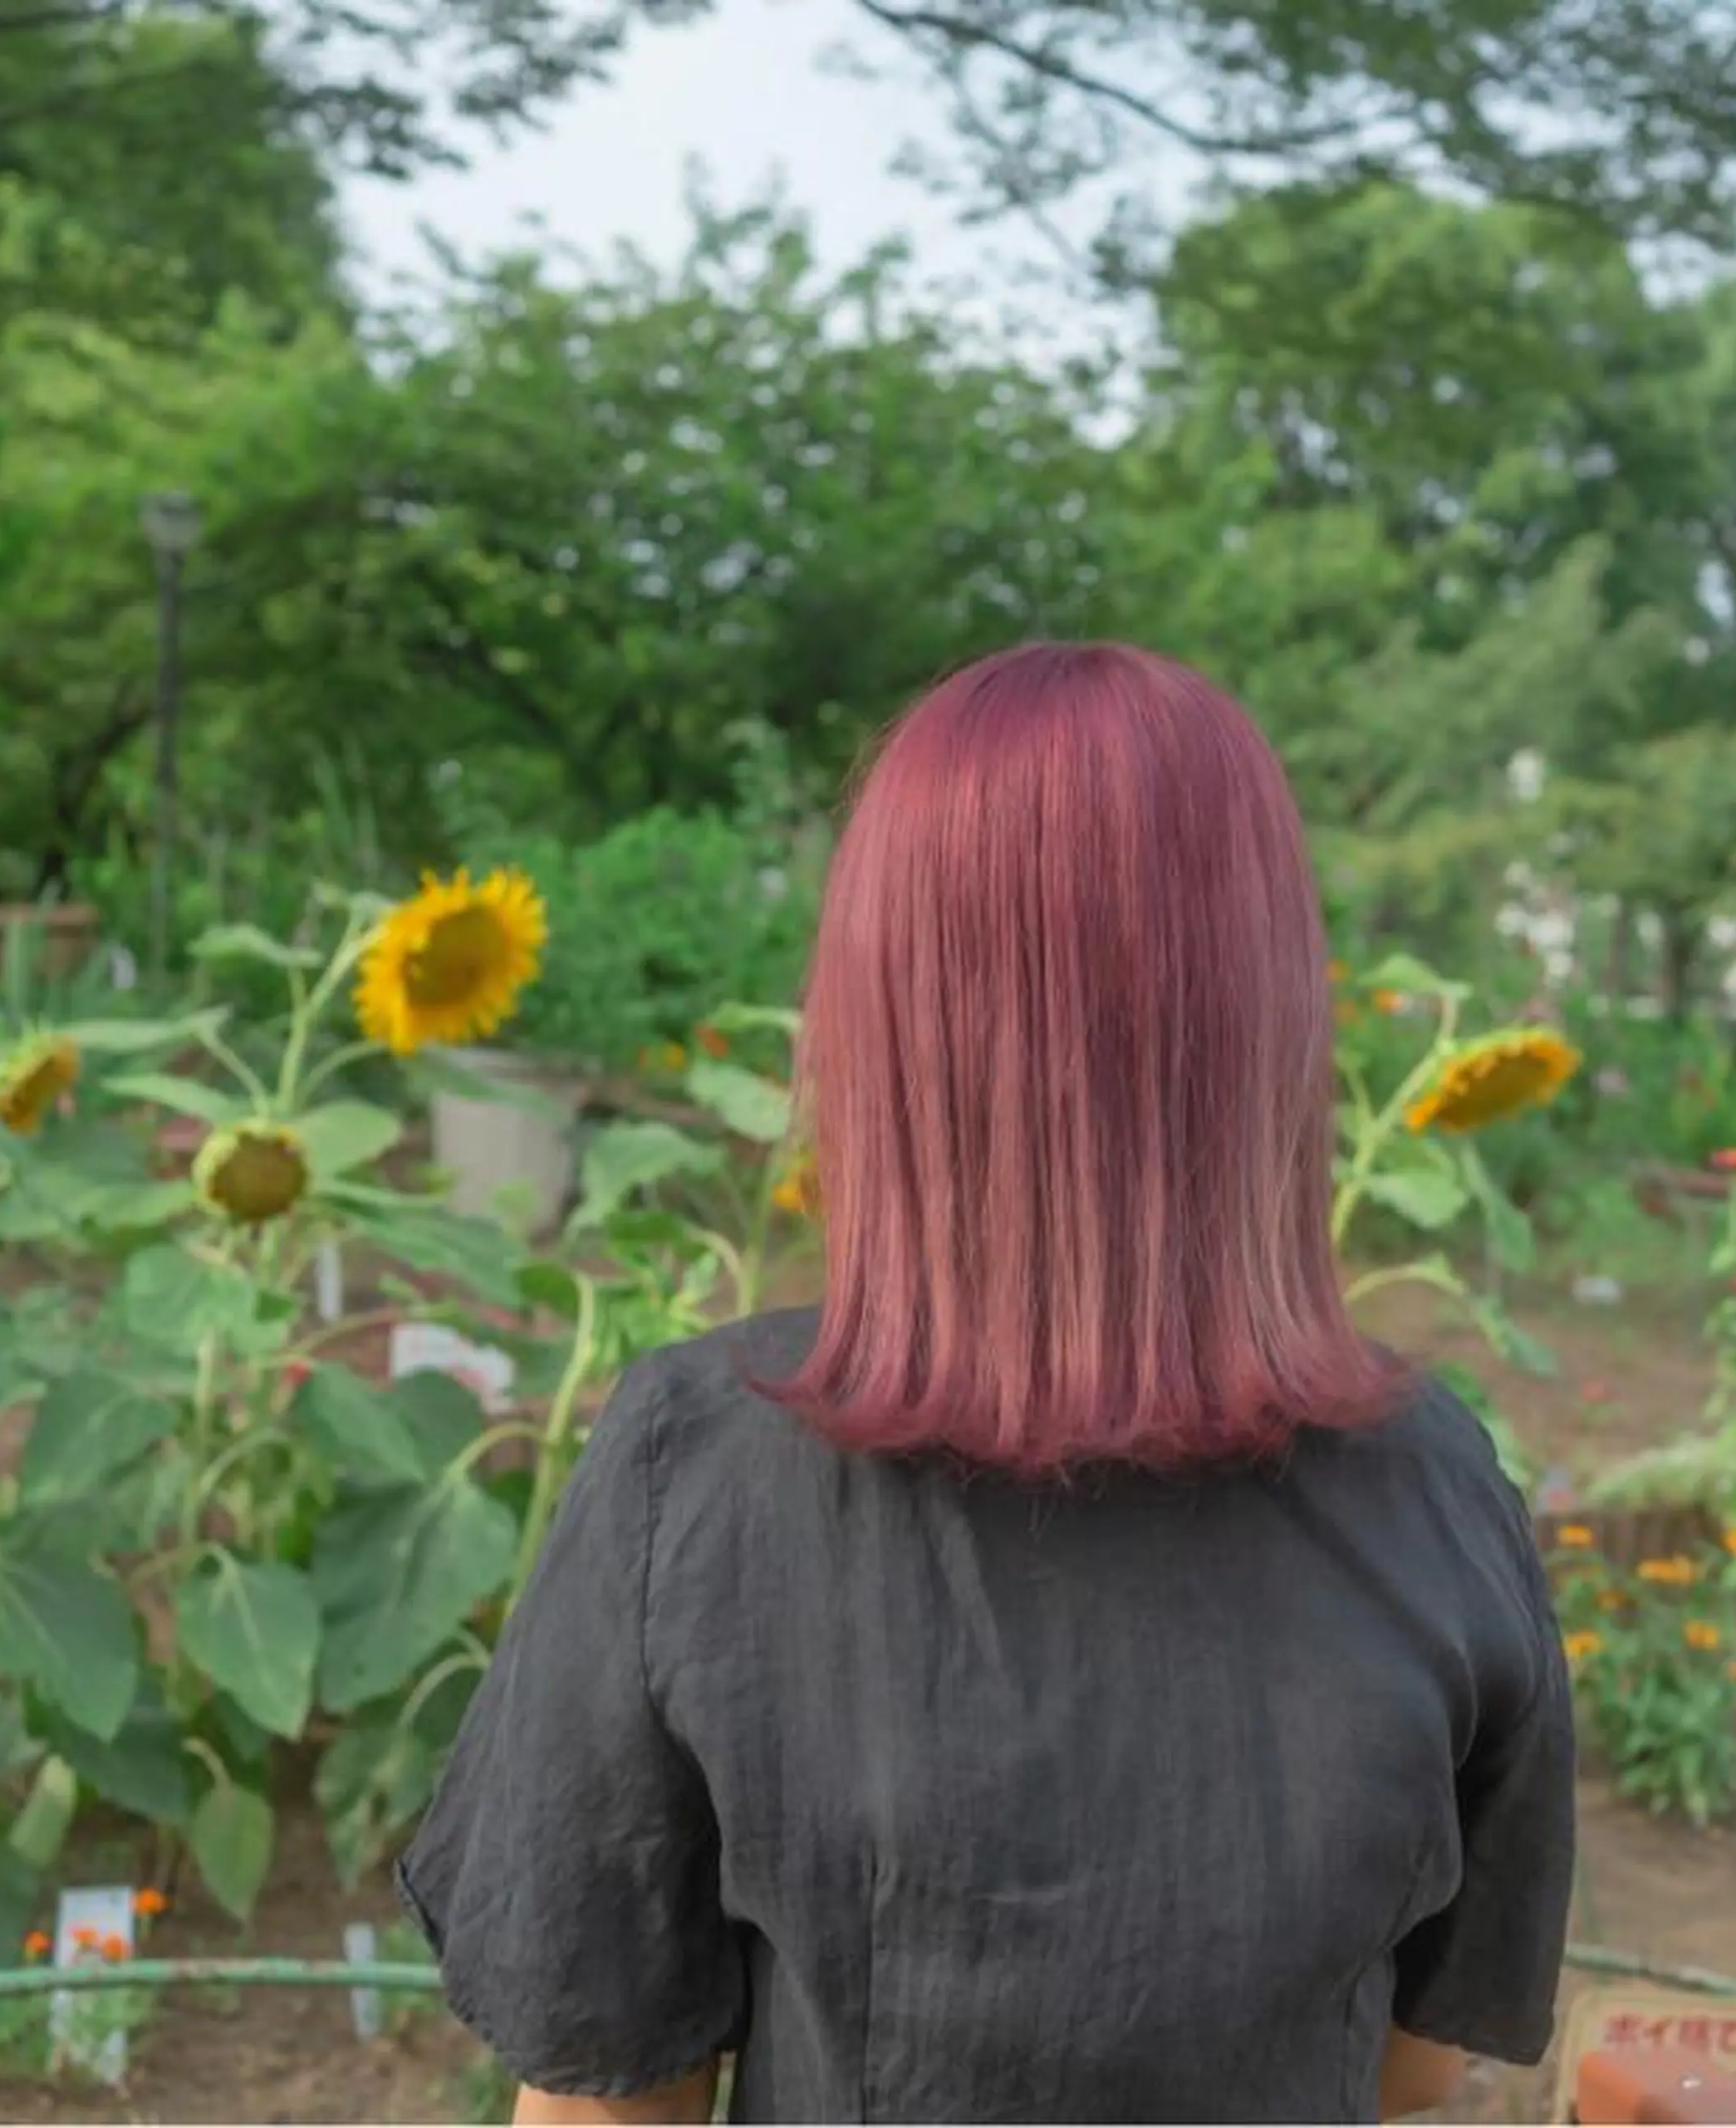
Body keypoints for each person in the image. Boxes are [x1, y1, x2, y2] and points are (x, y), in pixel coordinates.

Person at [399, 642, 1575, 2126]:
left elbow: (604, 2092)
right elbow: (1413, 2064)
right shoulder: (1434, 1489)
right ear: (1266, 1011)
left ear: (886, 1018)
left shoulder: (697, 1472)